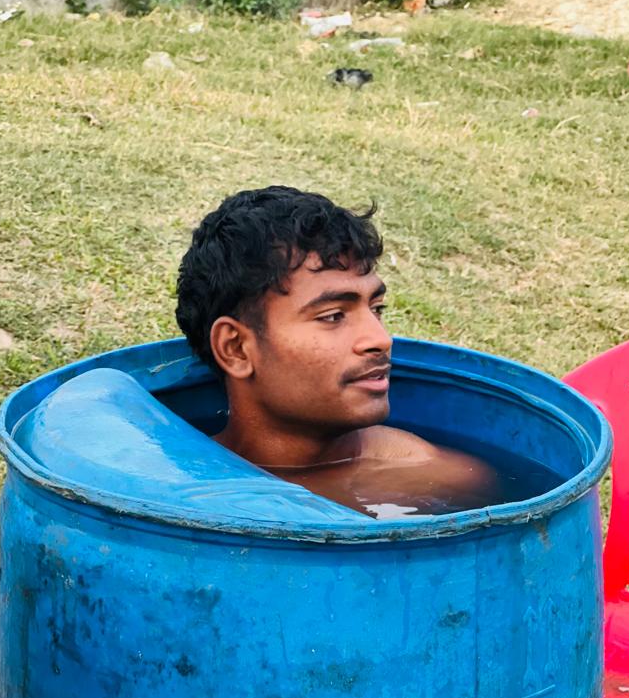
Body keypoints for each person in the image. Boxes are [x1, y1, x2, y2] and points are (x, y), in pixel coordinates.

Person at [175, 186, 500, 518]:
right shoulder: (168, 482)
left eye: (377, 309)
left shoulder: (441, 477)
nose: (380, 339)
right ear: (236, 349)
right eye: (333, 316)